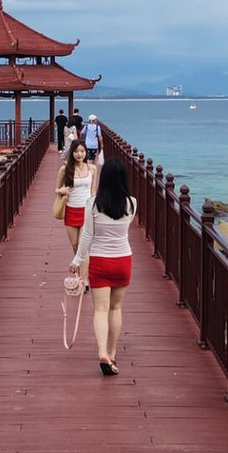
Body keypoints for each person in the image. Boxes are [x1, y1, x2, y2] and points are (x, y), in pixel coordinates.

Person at [71, 155, 136, 376]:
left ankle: (102, 353)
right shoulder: (132, 203)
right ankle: (113, 351)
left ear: (104, 179)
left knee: (100, 309)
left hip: (100, 261)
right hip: (123, 260)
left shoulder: (93, 204)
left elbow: (87, 236)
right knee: (116, 308)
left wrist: (77, 261)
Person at [55, 140, 95, 253]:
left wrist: (95, 207)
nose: (79, 154)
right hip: (70, 210)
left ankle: (83, 270)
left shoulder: (92, 169)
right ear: (72, 153)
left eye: (82, 151)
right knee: (75, 245)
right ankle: (78, 268)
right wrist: (61, 190)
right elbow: (56, 189)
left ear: (86, 153)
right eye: (76, 151)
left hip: (86, 210)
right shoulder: (64, 169)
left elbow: (93, 190)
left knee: (83, 246)